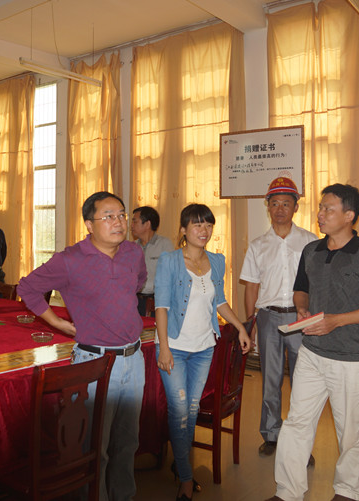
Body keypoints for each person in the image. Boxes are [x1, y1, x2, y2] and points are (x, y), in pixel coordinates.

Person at [18, 191, 147, 501]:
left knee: (128, 442)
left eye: (121, 215)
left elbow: (139, 282)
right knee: (94, 446)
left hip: (134, 357)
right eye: (108, 216)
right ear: (89, 224)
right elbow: (28, 288)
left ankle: (124, 496)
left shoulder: (133, 253)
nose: (118, 222)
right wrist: (59, 323)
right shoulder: (70, 260)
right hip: (94, 363)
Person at [268, 184, 359, 501]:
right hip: (312, 353)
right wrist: (302, 307)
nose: (320, 214)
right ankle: (288, 491)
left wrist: (335, 320)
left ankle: (348, 491)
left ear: (349, 215)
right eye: (321, 207)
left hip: (352, 358)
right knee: (296, 423)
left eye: (328, 209)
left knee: (350, 432)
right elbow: (301, 288)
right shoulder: (311, 251)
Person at [155, 203, 251, 501]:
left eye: (208, 224)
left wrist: (241, 327)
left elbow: (219, 301)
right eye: (197, 224)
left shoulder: (217, 261)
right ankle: (186, 479)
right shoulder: (170, 261)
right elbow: (161, 307)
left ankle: (180, 464)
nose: (204, 230)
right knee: (179, 410)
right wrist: (164, 348)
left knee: (192, 410)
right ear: (183, 230)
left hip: (204, 348)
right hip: (174, 347)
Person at [240, 177, 317, 458]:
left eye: (286, 203)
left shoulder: (310, 241)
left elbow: (317, 284)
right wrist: (250, 323)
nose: (280, 209)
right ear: (268, 207)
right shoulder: (258, 245)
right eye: (275, 203)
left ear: (296, 207)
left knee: (303, 382)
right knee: (270, 380)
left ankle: (300, 441)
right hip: (268, 318)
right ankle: (271, 434)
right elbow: (251, 287)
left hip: (300, 318)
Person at [131, 206, 174, 316]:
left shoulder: (165, 244)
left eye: (135, 221)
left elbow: (171, 275)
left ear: (147, 224)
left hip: (157, 302)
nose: (131, 225)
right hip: (134, 301)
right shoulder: (132, 247)